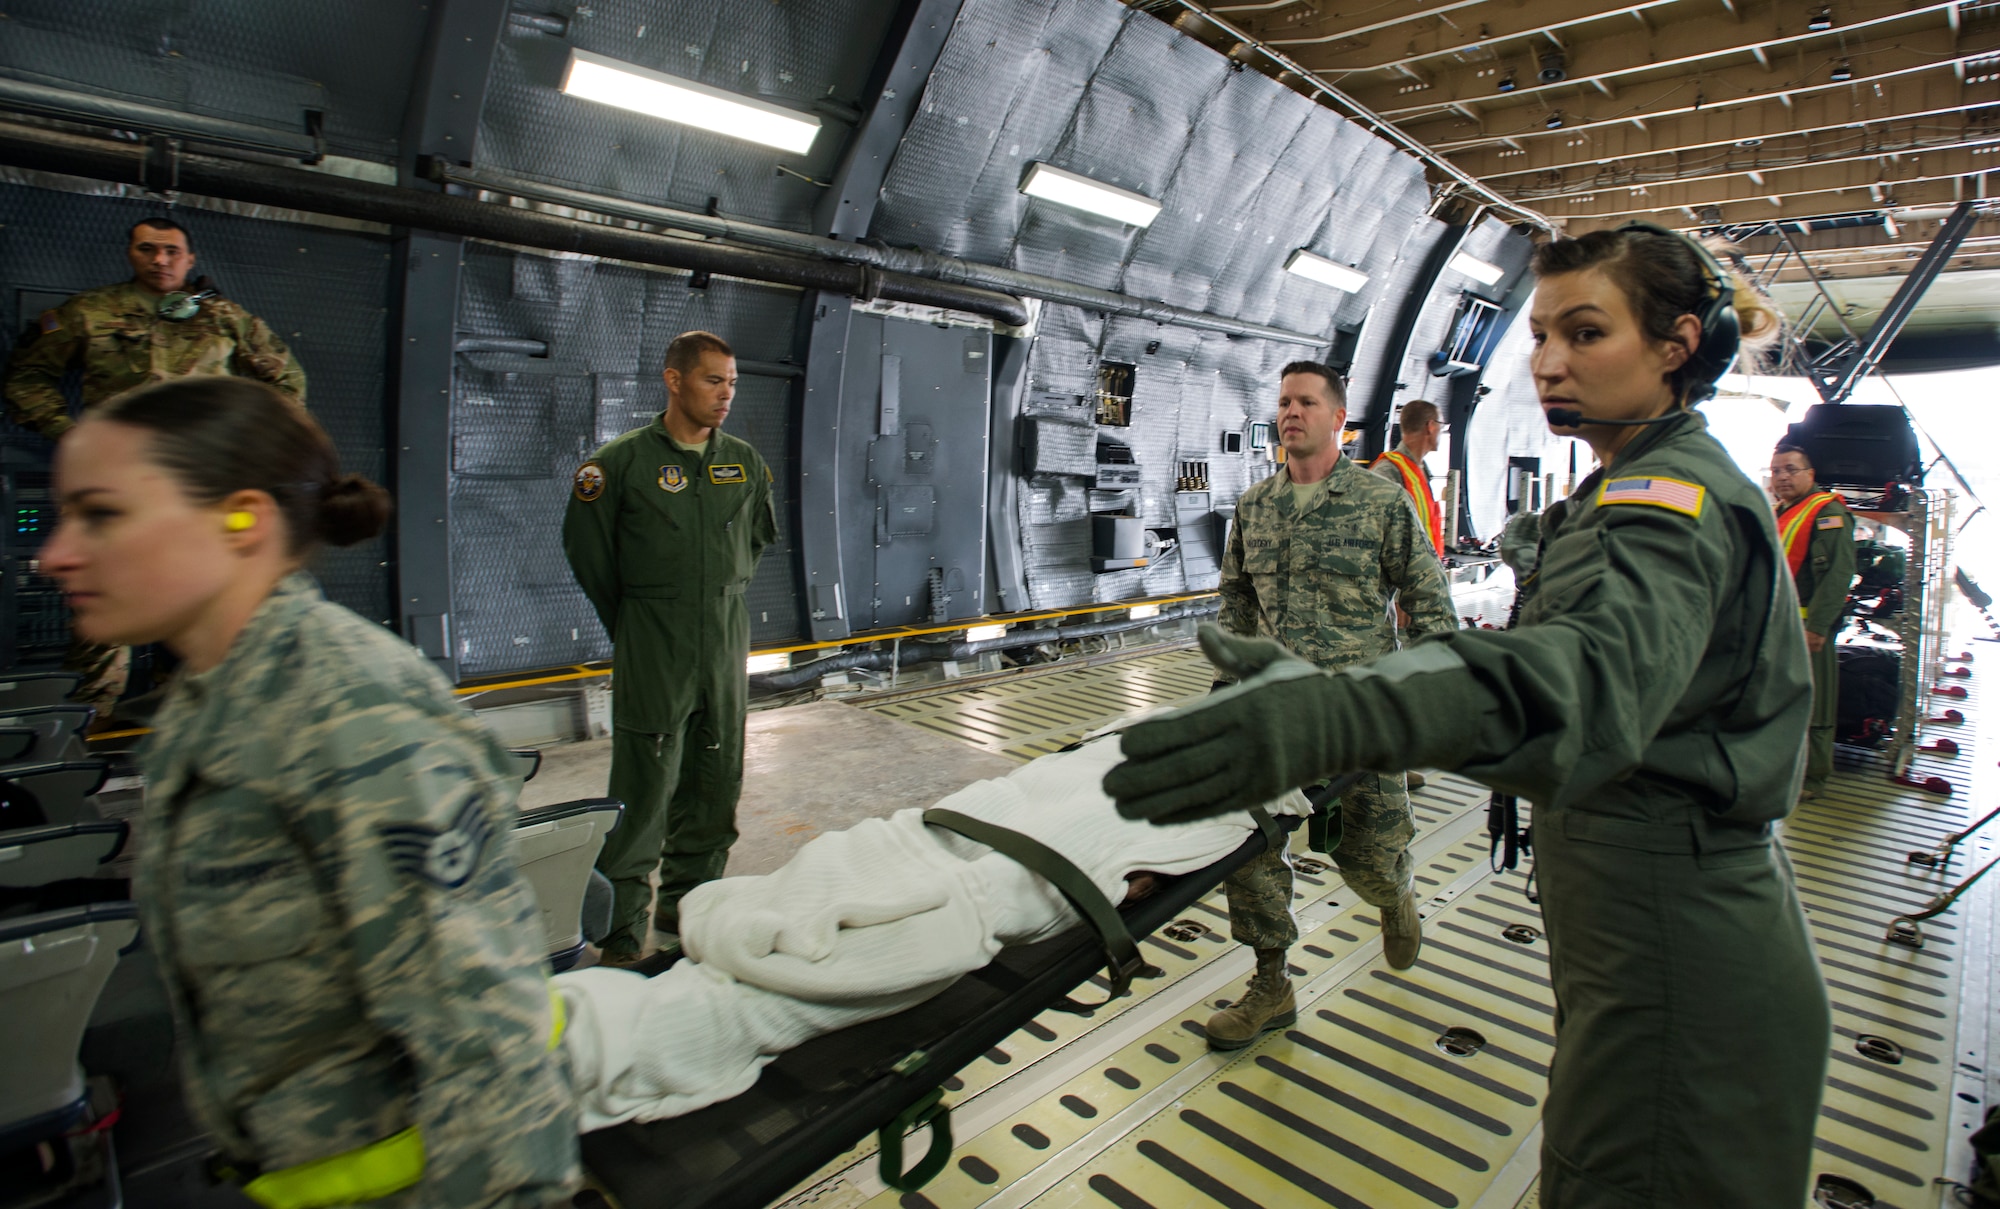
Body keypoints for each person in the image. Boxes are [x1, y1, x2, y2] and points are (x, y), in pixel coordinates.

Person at [1105, 223, 1829, 1207]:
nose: (1547, 363)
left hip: (1670, 930)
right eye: (1538, 336)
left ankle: (1389, 890)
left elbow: (1583, 680)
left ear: (1674, 345)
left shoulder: (1669, 501)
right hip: (1637, 920)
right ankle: (1273, 975)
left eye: (1583, 333)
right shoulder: (1626, 487)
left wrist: (1357, 714)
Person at [41, 377, 578, 1207]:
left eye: (102, 514)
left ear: (242, 519)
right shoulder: (205, 704)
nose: (56, 553)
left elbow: (488, 1036)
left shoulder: (351, 716)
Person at [1204, 360, 1455, 1051]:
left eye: (1307, 401)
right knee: (1249, 845)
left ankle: (1394, 892)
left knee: (1366, 857)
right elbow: (1236, 599)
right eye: (1284, 400)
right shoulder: (1254, 506)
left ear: (1338, 419)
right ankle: (1270, 980)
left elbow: (1429, 600)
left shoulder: (1378, 503)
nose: (1292, 411)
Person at [5, 216, 307, 710]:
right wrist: (74, 435)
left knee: (210, 603)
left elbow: (288, 384)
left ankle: (196, 726)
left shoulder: (226, 319)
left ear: (190, 260)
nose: (160, 260)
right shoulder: (91, 313)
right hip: (119, 488)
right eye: (148, 249)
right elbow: (27, 379)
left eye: (171, 251)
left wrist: (248, 448)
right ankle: (86, 733)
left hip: (206, 486)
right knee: (107, 607)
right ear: (131, 254)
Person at [563, 330, 778, 966]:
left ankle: (692, 906)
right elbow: (591, 559)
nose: (726, 395)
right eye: (714, 380)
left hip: (724, 636)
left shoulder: (743, 462)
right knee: (645, 789)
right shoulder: (617, 466)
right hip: (653, 639)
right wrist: (641, 621)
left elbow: (756, 542)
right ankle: (623, 928)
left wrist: (715, 599)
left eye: (733, 382)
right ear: (675, 380)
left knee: (716, 781)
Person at [1769, 442, 1856, 799]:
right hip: (1778, 626)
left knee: (1815, 703)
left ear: (1810, 474)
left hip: (1807, 629)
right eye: (1776, 471)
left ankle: (1813, 777)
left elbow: (1838, 573)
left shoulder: (1826, 513)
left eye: (1791, 469)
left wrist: (1818, 627)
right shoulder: (1782, 511)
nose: (1782, 477)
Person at [1369, 398, 1445, 556]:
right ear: (1430, 426)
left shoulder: (1422, 471)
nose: (1441, 431)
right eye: (1441, 425)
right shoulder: (1388, 471)